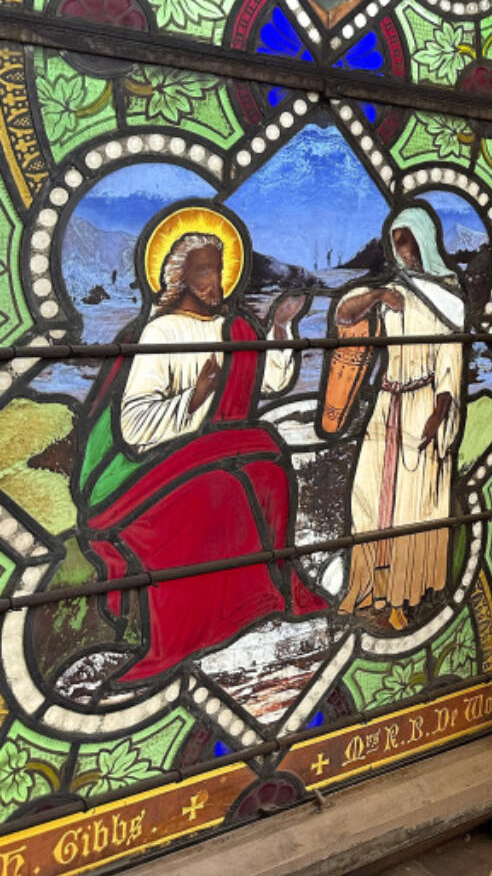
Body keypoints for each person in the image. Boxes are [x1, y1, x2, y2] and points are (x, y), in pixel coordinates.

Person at [78, 206, 328, 683]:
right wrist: (194, 398)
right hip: (156, 468)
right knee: (223, 487)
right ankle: (189, 634)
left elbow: (270, 383)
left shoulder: (235, 328)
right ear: (181, 277)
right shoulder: (159, 332)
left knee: (268, 468)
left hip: (223, 450)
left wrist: (279, 326)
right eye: (204, 270)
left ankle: (268, 600)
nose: (216, 281)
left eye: (220, 269)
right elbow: (134, 427)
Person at [326, 204, 464, 628]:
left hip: (423, 403)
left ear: (423, 242)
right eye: (395, 243)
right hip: (386, 404)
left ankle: (403, 594)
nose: (401, 251)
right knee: (368, 497)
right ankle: (363, 588)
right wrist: (377, 295)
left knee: (412, 504)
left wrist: (441, 410)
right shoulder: (392, 291)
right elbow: (343, 315)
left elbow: (450, 355)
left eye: (406, 241)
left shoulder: (447, 297)